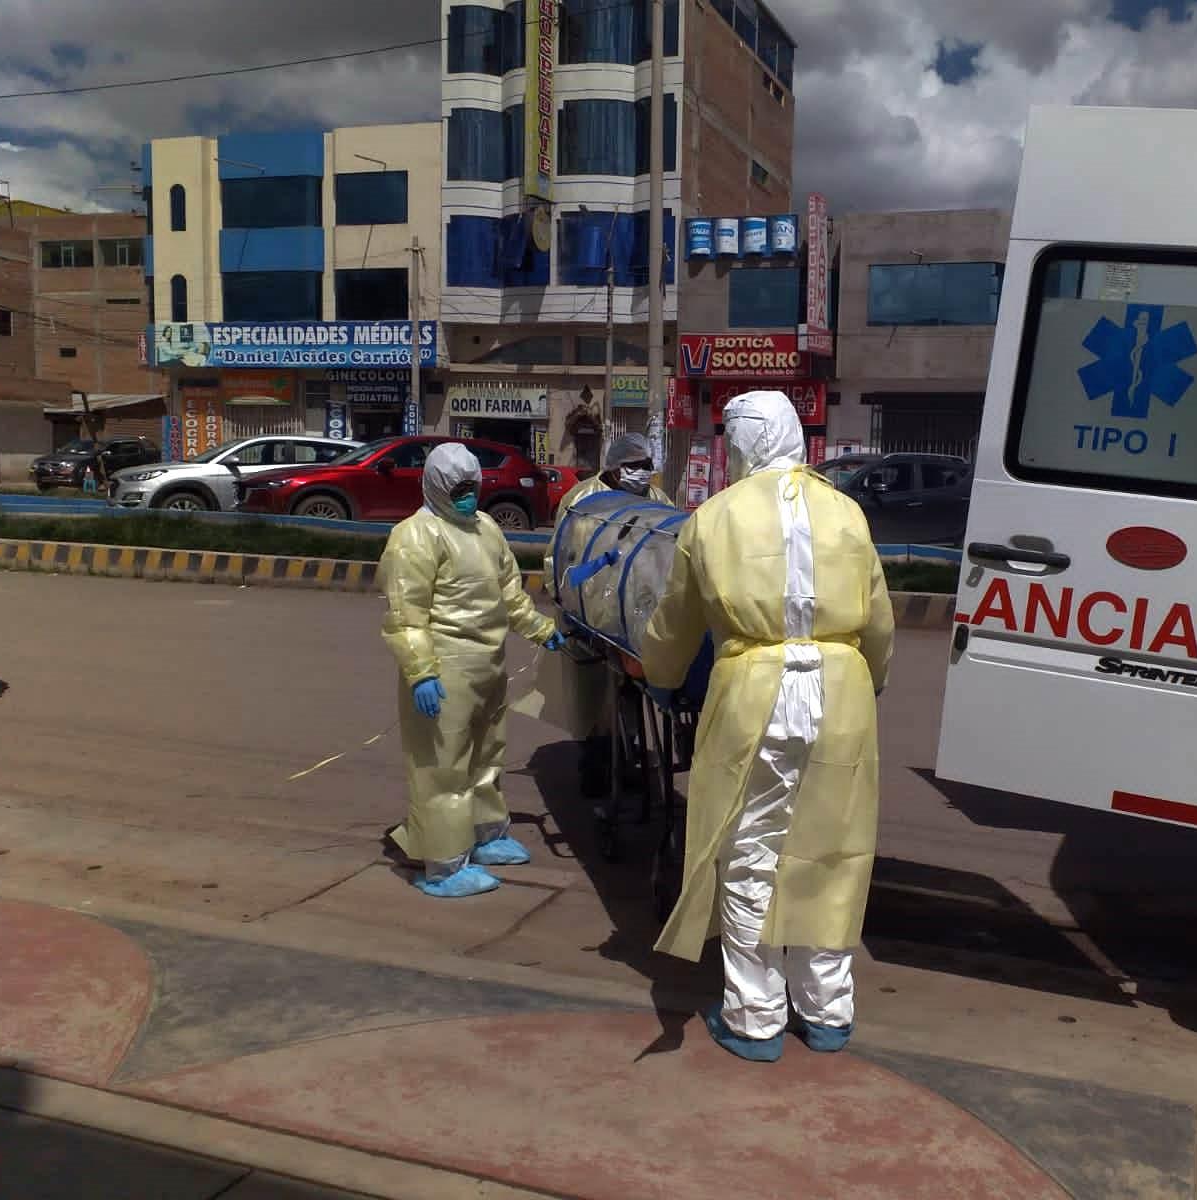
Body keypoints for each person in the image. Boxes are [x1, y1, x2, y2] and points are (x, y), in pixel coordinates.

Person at [641, 390, 895, 1063]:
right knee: (832, 852)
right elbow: (878, 623)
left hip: (754, 693)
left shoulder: (712, 518)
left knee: (749, 852)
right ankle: (828, 1012)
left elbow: (673, 626)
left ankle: (755, 1018)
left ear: (742, 443)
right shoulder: (847, 510)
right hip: (842, 694)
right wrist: (871, 679)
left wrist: (658, 674)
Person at [380, 442, 564, 898]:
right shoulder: (416, 535)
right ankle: (443, 863)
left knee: (486, 758)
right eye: (457, 488)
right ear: (437, 485)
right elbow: (407, 615)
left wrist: (541, 629)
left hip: (488, 666)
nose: (467, 495)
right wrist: (421, 672)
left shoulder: (485, 529)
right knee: (444, 769)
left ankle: (485, 834)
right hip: (445, 671)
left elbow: (509, 594)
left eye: (472, 486)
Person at [544, 431, 672, 798]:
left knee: (630, 696)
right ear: (614, 469)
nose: (643, 473)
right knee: (594, 698)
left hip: (633, 615)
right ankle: (596, 765)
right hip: (591, 613)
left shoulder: (658, 499)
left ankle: (627, 759)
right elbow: (562, 557)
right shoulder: (584, 501)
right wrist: (572, 607)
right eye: (635, 466)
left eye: (648, 465)